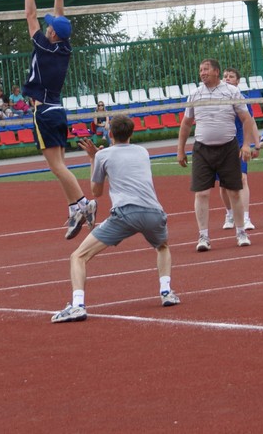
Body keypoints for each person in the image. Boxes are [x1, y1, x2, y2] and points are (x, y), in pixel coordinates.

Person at [52, 115, 180, 322]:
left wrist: (93, 159)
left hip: (125, 214)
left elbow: (96, 192)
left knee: (78, 256)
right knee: (162, 247)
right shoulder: (143, 151)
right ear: (131, 133)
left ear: (109, 133)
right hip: (154, 212)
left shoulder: (104, 156)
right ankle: (167, 292)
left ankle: (77, 305)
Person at [18, 0, 97, 239]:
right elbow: (61, 17)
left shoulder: (43, 44)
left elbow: (30, 14)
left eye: (50, 26)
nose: (48, 26)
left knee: (56, 166)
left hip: (44, 111)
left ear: (51, 33)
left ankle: (84, 203)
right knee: (60, 164)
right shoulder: (64, 47)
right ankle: (74, 207)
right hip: (58, 109)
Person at [177, 59, 261, 252]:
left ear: (216, 71)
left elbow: (246, 119)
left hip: (228, 148)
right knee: (202, 193)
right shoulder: (195, 94)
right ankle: (203, 237)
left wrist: (246, 144)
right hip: (202, 149)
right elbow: (186, 123)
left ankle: (241, 232)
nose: (202, 73)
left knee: (233, 191)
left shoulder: (232, 92)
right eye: (200, 70)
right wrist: (180, 149)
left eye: (206, 69)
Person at [217, 68, 255, 232]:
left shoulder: (243, 99)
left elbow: (250, 122)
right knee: (224, 185)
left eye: (231, 77)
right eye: (225, 76)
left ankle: (245, 217)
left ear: (238, 81)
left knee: (242, 179)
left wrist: (255, 143)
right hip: (220, 144)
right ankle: (230, 214)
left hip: (239, 143)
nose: (227, 79)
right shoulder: (215, 98)